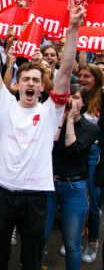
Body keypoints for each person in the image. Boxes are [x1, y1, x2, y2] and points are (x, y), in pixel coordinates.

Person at [0, 0, 85, 270]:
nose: (31, 83)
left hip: (35, 198)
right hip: (1, 194)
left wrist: (72, 29)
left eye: (36, 80)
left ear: (41, 87)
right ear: (17, 84)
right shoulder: (4, 104)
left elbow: (68, 70)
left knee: (32, 260)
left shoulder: (51, 110)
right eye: (26, 79)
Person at [43, 84, 99, 270]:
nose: (70, 101)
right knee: (40, 236)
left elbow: (72, 147)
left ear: (83, 103)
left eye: (75, 97)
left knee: (72, 243)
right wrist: (63, 119)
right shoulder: (53, 121)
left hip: (74, 189)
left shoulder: (90, 129)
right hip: (50, 185)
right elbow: (50, 144)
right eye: (68, 97)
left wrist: (69, 122)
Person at [77, 63, 104, 263]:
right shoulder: (77, 96)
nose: (83, 79)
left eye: (87, 76)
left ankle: (93, 241)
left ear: (96, 79)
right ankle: (75, 238)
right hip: (76, 151)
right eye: (81, 75)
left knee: (93, 202)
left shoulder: (102, 99)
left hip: (96, 154)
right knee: (76, 199)